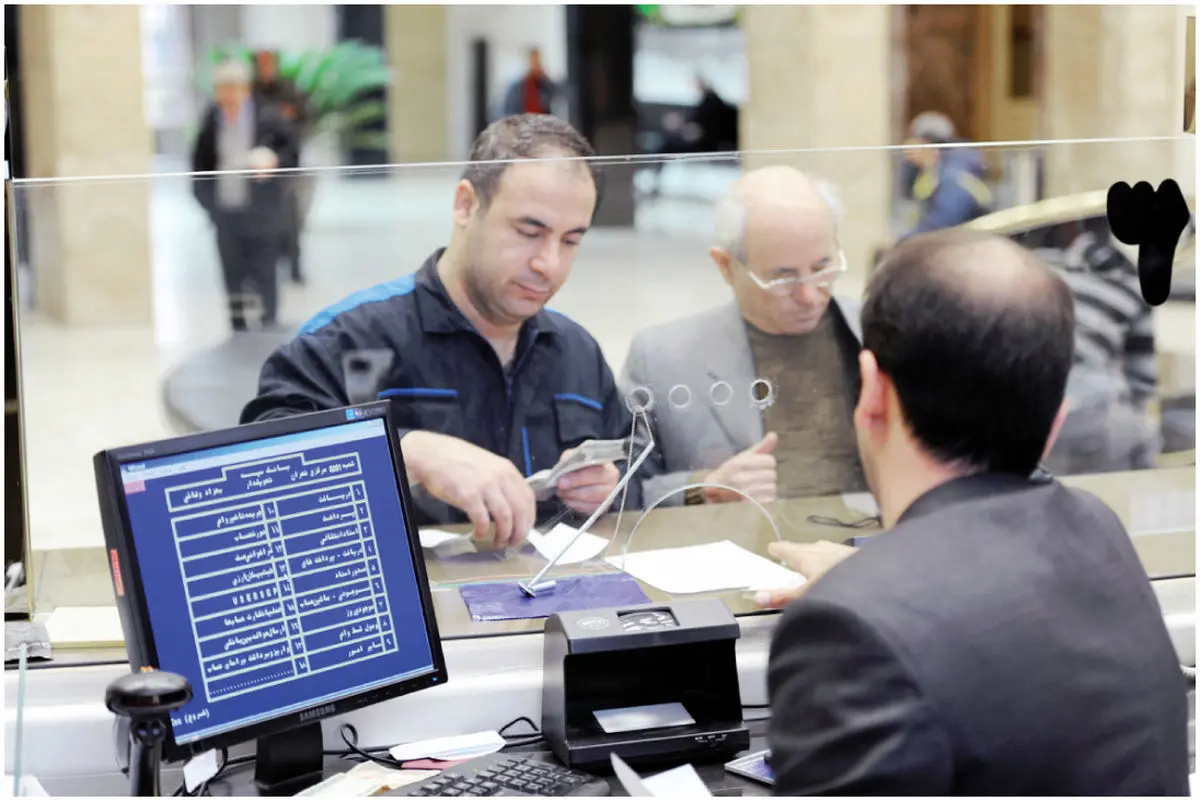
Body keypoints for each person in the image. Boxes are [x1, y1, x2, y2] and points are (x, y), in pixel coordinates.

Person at [759, 230, 1189, 794]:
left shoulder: (844, 628)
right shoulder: (1095, 526)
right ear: (1056, 415)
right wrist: (878, 585)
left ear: (870, 391)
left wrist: (872, 593)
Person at [241, 114, 637, 548]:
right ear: (466, 206)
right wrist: (407, 452)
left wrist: (607, 489)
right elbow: (260, 470)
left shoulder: (576, 354)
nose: (549, 264)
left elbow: (638, 476)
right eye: (529, 231)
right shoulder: (351, 339)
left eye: (570, 241)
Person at [622, 167, 867, 507]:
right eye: (783, 279)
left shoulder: (882, 336)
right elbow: (622, 492)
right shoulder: (664, 359)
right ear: (725, 266)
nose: (810, 295)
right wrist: (703, 486)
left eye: (822, 268)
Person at [1025, 218, 1161, 474]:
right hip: (1103, 419)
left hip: (1034, 412)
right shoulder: (1132, 278)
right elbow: (1143, 382)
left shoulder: (1028, 267)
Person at [192, 59, 300, 332]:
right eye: (222, 88)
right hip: (226, 212)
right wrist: (210, 206)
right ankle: (238, 329)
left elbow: (293, 154)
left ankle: (268, 327)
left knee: (265, 274)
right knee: (232, 275)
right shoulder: (211, 120)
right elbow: (199, 166)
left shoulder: (268, 116)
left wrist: (273, 159)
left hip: (262, 214)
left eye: (232, 87)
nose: (227, 95)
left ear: (245, 88)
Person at [252, 49, 310, 285]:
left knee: (291, 220)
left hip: (285, 165)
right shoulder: (252, 91)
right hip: (256, 168)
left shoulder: (287, 89)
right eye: (262, 63)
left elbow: (303, 117)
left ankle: (295, 269)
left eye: (270, 63)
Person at [899, 111, 992, 237]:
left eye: (912, 140)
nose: (907, 149)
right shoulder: (932, 174)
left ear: (926, 143)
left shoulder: (954, 177)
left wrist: (901, 244)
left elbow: (939, 225)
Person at [499, 48, 559, 118]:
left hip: (542, 123)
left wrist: (545, 78)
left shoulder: (544, 84)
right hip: (523, 124)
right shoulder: (517, 86)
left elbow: (557, 96)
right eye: (533, 62)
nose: (535, 66)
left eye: (538, 62)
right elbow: (509, 110)